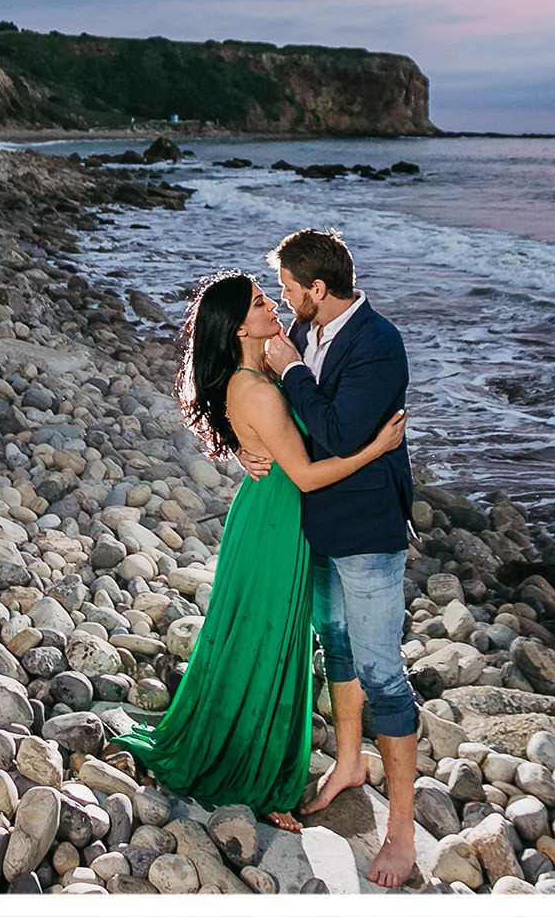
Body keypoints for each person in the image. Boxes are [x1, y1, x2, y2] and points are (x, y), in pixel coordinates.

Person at [111, 271, 407, 832]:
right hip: (278, 521)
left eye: (268, 295)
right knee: (268, 642)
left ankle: (258, 755)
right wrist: (376, 448)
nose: (272, 304)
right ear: (238, 325)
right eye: (258, 302)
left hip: (269, 513)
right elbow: (307, 474)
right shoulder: (259, 387)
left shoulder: (264, 368)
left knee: (261, 638)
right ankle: (259, 778)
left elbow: (269, 427)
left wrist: (245, 450)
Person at [247, 228, 422, 889]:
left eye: (292, 289)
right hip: (315, 520)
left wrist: (290, 369)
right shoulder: (307, 330)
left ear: (320, 289)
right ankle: (350, 764)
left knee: (382, 674)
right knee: (338, 649)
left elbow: (341, 432)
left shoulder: (379, 343)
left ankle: (400, 831)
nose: (286, 300)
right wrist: (247, 449)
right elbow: (269, 416)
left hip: (368, 530)